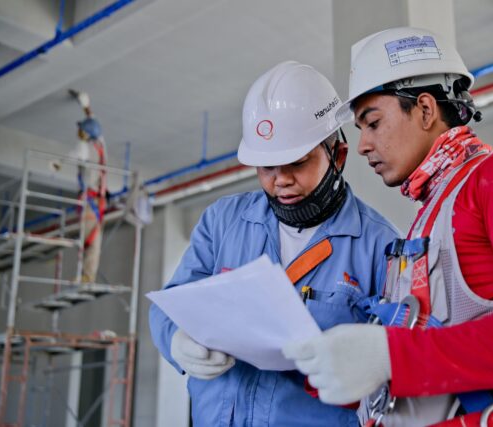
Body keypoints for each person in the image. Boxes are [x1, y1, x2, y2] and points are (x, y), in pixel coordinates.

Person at [282, 27, 493, 426]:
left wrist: (390, 357)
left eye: (372, 123)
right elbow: (424, 352)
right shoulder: (428, 219)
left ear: (425, 109)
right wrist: (342, 364)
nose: (362, 146)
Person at [148, 61, 400, 426]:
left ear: (338, 156)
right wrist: (176, 341)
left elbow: (395, 366)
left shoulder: (380, 246)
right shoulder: (222, 222)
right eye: (266, 167)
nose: (280, 180)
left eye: (296, 163)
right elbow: (170, 304)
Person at [68, 90, 108, 284]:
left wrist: (57, 163)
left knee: (88, 240)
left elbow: (74, 153)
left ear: (85, 134)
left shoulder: (86, 150)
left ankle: (85, 276)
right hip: (97, 200)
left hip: (90, 201)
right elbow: (94, 124)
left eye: (81, 130)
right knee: (93, 238)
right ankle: (87, 275)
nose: (78, 132)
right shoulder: (100, 144)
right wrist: (86, 106)